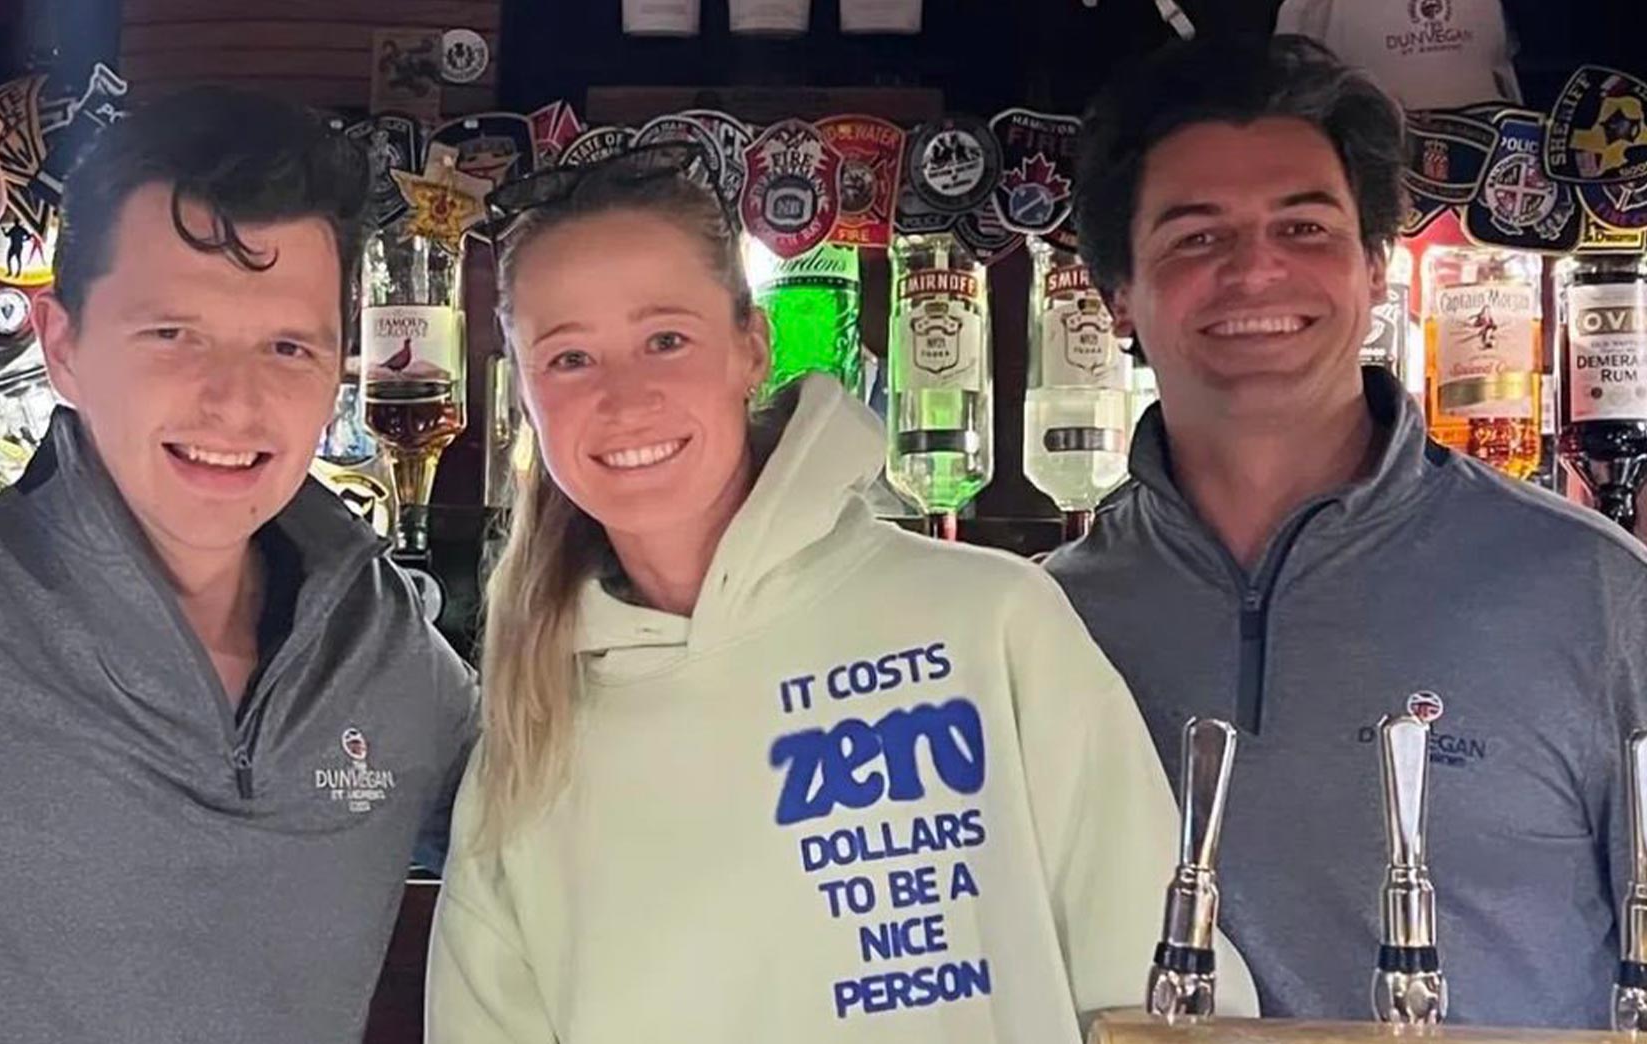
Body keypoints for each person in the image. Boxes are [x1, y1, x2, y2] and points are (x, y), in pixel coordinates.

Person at [424, 148, 1254, 1043]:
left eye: (667, 338)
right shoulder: (529, 739)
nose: (625, 398)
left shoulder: (990, 621)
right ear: (522, 391)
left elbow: (1165, 1004)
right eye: (570, 358)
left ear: (752, 346)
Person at [0, 87, 476, 1043]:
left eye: (287, 346)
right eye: (173, 334)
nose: (233, 403)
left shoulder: (386, 652)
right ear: (61, 348)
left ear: (336, 375)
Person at [1045, 34, 1647, 1028]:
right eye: (1195, 236)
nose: (1254, 271)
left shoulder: (1592, 594)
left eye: (1304, 227)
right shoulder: (1040, 621)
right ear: (1117, 295)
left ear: (1374, 268)